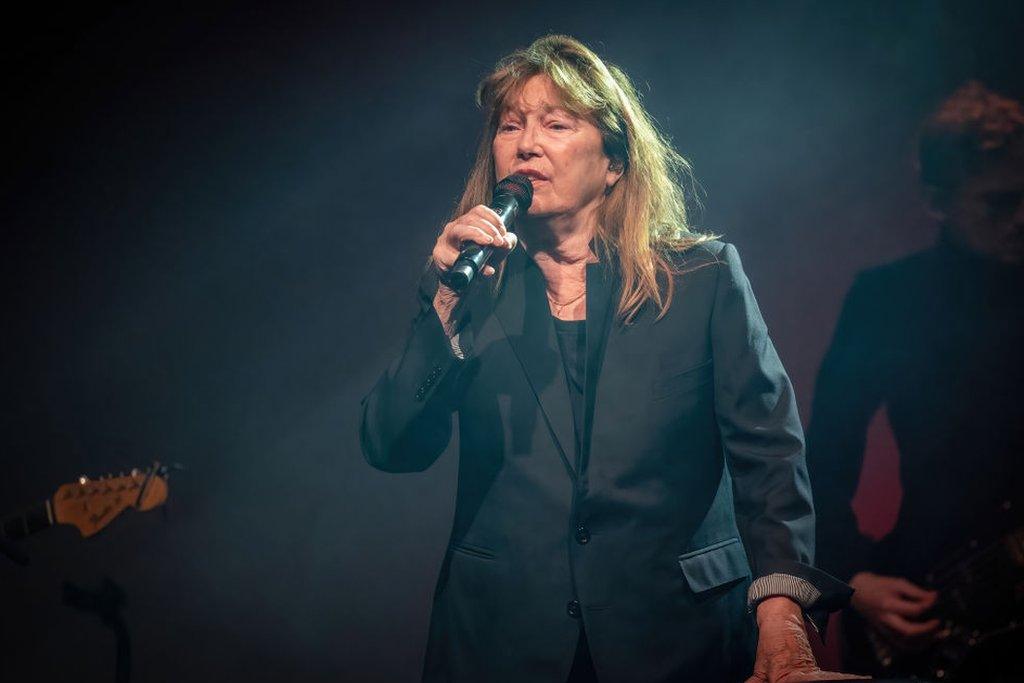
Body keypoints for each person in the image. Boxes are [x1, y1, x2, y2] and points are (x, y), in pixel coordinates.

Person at [361, 35, 855, 683]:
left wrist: (783, 613)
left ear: (614, 161)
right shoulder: (473, 285)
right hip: (501, 640)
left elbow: (770, 462)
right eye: (510, 125)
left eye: (556, 124)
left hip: (679, 634)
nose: (526, 143)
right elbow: (392, 446)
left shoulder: (702, 278)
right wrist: (447, 309)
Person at [807, 81, 1024, 680]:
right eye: (999, 204)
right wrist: (852, 578)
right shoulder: (887, 299)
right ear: (938, 200)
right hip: (929, 604)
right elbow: (824, 458)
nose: (1020, 220)